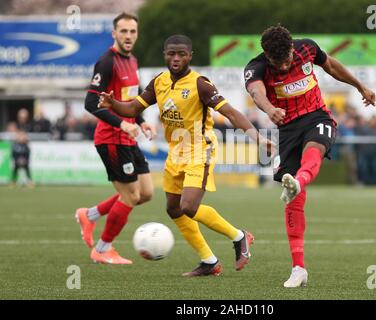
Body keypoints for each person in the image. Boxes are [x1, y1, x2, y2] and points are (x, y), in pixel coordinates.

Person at [98, 34, 274, 276]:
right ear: (165, 55)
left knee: (188, 207)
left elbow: (231, 113)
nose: (176, 58)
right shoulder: (159, 82)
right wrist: (113, 104)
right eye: (171, 53)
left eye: (182, 54)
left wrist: (257, 137)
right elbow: (132, 108)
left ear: (190, 56)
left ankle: (239, 236)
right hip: (176, 151)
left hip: (200, 148)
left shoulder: (200, 83)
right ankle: (209, 261)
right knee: (173, 209)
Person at [244, 25, 376, 287]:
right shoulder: (256, 67)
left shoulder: (307, 48)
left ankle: (298, 181)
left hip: (317, 116)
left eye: (287, 61)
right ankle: (298, 268)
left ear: (293, 49)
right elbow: (256, 92)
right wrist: (270, 109)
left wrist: (360, 86)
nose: (283, 67)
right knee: (293, 201)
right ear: (267, 56)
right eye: (277, 63)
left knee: (312, 154)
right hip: (287, 129)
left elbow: (332, 66)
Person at [75, 12, 156, 265]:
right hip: (111, 138)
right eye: (123, 31)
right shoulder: (106, 62)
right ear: (114, 33)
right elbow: (90, 102)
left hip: (129, 137)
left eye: (132, 31)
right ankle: (102, 248)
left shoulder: (132, 60)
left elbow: (132, 99)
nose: (128, 36)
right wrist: (122, 123)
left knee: (146, 193)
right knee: (130, 196)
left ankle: (89, 215)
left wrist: (141, 122)